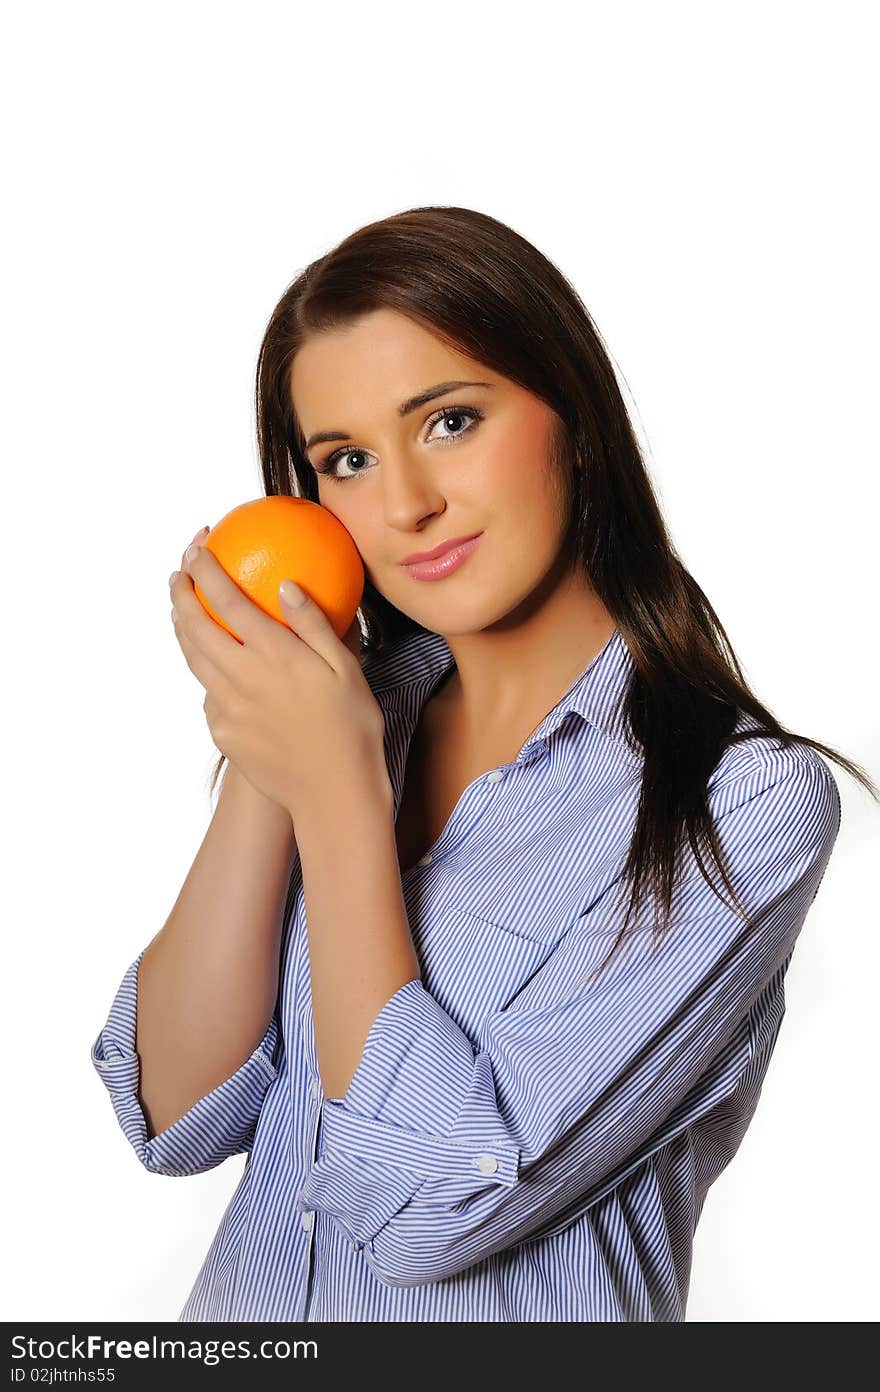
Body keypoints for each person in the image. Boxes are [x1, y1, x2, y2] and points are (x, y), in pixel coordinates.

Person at [91, 206, 874, 1323]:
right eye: (348, 462)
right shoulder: (350, 724)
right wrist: (274, 740)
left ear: (577, 424)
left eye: (450, 421)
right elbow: (173, 1113)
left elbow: (431, 1215)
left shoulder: (738, 805)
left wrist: (340, 801)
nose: (405, 504)